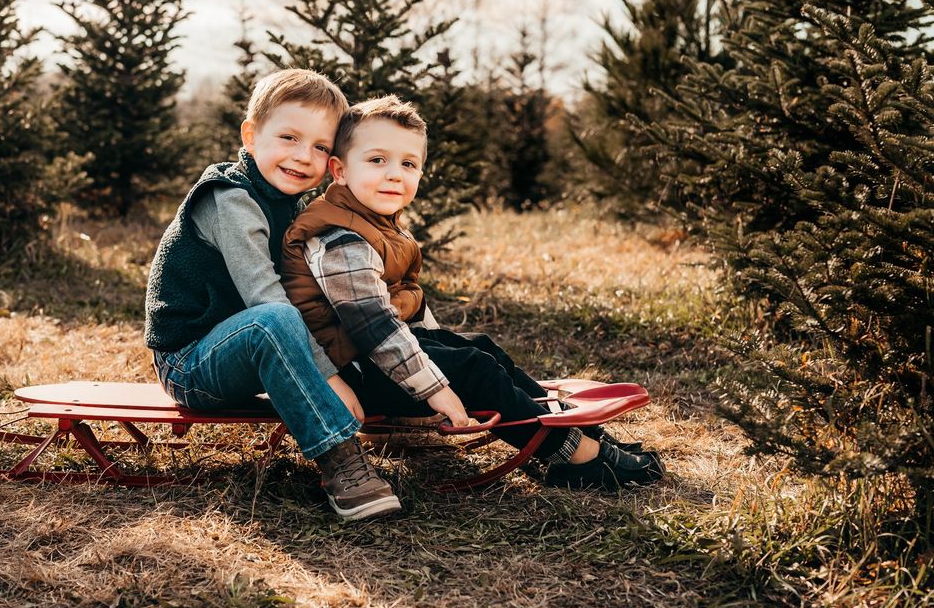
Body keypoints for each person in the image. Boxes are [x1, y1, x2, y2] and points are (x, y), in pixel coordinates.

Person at [279, 95, 665, 493]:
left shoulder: (375, 222)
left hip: (374, 358)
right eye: (377, 160)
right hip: (352, 374)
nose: (395, 175)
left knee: (477, 347)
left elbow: (406, 307)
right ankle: (568, 454)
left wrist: (443, 347)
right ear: (340, 171)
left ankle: (572, 427)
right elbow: (374, 327)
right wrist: (437, 387)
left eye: (408, 164)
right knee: (473, 372)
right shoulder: (340, 238)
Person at [144, 69, 401, 521]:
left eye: (321, 147)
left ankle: (401, 401)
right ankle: (340, 462)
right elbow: (266, 299)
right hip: (190, 363)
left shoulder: (292, 206)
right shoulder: (231, 199)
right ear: (251, 135)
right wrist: (330, 378)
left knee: (334, 310)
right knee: (275, 320)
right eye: (289, 137)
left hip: (245, 351)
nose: (304, 157)